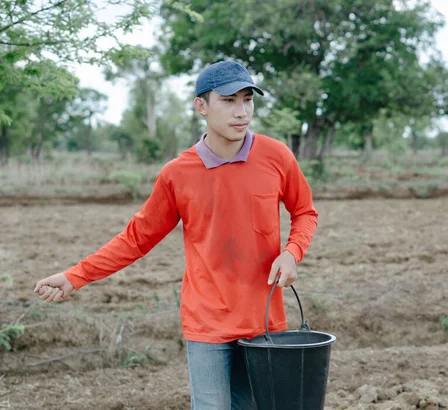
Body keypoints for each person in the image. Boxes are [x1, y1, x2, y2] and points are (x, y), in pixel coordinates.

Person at [33, 60, 319, 409]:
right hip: (207, 321)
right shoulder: (177, 174)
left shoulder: (276, 156)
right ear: (201, 106)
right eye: (228, 101)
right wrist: (74, 276)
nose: (241, 111)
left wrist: (292, 252)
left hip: (264, 321)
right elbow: (137, 238)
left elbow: (304, 211)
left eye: (247, 100)